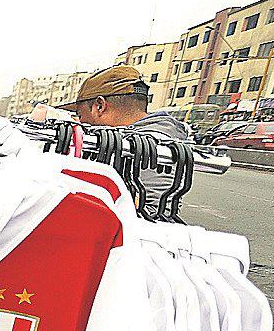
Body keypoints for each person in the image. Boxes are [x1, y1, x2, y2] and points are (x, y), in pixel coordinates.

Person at [59, 65, 192, 217]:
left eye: (80, 115)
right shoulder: (160, 136)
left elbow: (150, 215)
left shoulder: (151, 145)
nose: (80, 123)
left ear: (100, 106)